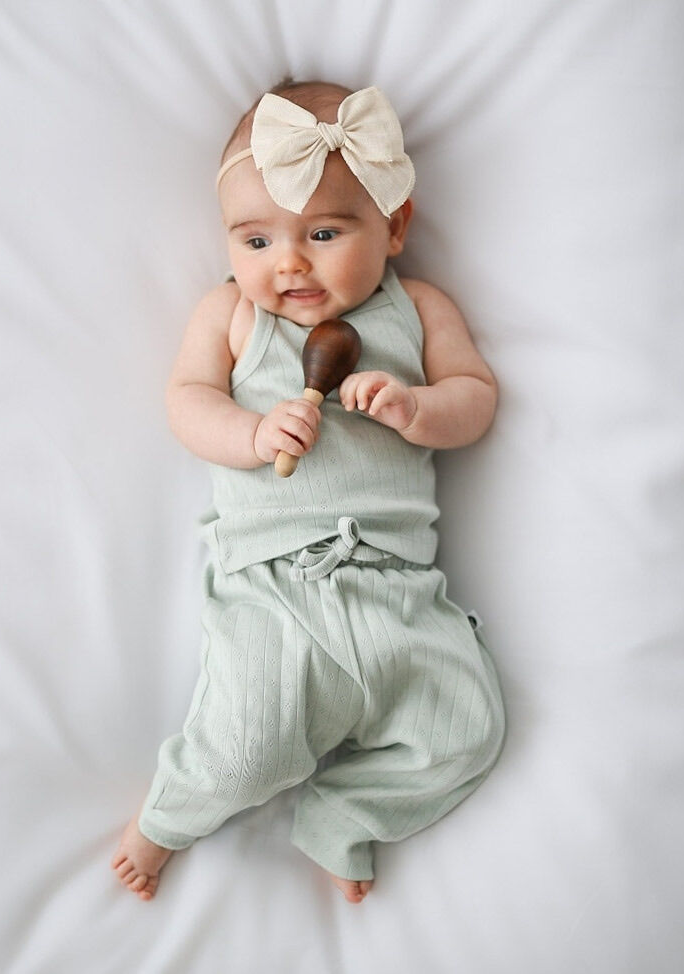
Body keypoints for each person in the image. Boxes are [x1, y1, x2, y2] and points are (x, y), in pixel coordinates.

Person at [112, 80, 505, 904]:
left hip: (402, 592)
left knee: (466, 732)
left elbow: (474, 400)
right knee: (244, 744)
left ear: (394, 226)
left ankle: (344, 811)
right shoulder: (231, 317)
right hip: (277, 589)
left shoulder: (419, 308)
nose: (287, 262)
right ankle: (166, 820)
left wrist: (415, 407)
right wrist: (251, 436)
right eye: (254, 240)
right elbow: (189, 402)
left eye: (324, 232)